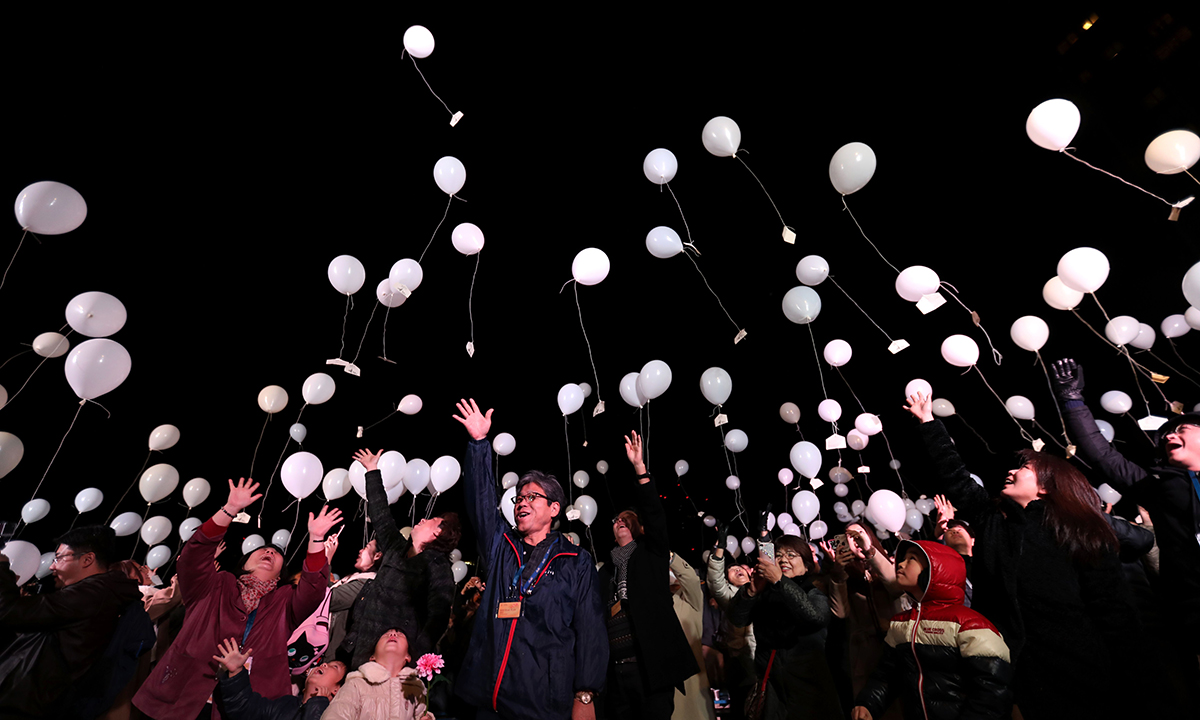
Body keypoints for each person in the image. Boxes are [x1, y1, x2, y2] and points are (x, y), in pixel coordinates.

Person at [904, 390, 1138, 718]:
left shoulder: (1079, 533)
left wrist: (1133, 682)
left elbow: (1112, 611)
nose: (1011, 472)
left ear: (1047, 485)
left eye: (1024, 468)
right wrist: (928, 422)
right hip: (1013, 675)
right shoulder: (993, 522)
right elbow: (956, 477)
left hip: (1080, 671)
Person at [452, 398, 607, 720]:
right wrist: (479, 444)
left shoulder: (575, 560)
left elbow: (590, 627)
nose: (522, 502)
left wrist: (586, 693)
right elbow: (481, 503)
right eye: (519, 498)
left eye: (532, 496)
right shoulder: (501, 546)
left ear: (554, 508)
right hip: (491, 695)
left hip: (544, 698)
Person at [133, 478, 339, 720]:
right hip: (183, 695)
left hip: (247, 703)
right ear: (245, 562)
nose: (269, 551)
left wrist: (316, 538)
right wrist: (230, 509)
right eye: (262, 549)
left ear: (280, 574)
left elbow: (313, 588)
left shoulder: (284, 602)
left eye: (276, 553)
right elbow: (192, 557)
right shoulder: (215, 584)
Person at [851, 541, 1012, 720]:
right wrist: (868, 703)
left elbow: (992, 690)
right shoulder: (900, 624)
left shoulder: (970, 625)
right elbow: (888, 674)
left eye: (912, 558)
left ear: (936, 569)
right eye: (903, 558)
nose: (901, 563)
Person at [602, 430, 698, 720]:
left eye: (627, 519)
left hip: (650, 668)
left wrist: (640, 469)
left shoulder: (651, 553)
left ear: (639, 528)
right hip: (615, 673)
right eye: (616, 520)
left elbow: (655, 515)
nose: (620, 521)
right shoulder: (606, 569)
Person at [0, 525, 145, 717]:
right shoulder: (102, 593)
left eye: (59, 558)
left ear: (87, 559)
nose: (52, 566)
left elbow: (9, 611)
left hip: (24, 706)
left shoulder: (91, 595)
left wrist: (2, 568)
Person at [338, 449, 458, 670]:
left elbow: (438, 618)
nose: (422, 520)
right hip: (361, 647)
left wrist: (415, 656)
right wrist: (372, 471)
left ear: (438, 532)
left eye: (430, 520)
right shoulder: (396, 548)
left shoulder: (437, 568)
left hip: (393, 659)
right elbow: (381, 515)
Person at [728, 534, 842, 720]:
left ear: (806, 565)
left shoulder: (815, 590)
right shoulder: (763, 593)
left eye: (791, 555)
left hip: (810, 688)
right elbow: (737, 619)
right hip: (773, 689)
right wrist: (751, 591)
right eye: (778, 555)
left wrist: (781, 581)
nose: (783, 560)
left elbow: (814, 617)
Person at [822, 523, 909, 711]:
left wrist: (870, 552)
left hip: (896, 647)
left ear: (869, 536)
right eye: (849, 537)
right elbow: (840, 612)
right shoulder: (844, 575)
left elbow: (895, 588)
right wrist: (838, 574)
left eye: (859, 534)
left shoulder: (887, 564)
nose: (855, 540)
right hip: (865, 656)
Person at [212, 637, 346, 720]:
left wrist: (318, 704)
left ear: (337, 689)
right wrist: (236, 672)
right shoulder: (287, 703)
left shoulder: (335, 715)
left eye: (335, 667)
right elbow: (245, 710)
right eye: (326, 663)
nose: (324, 664)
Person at [322, 628, 433, 720]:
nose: (393, 634)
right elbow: (336, 714)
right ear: (372, 657)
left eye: (400, 634)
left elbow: (421, 714)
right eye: (385, 635)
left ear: (408, 656)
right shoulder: (356, 684)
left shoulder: (416, 690)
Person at [668, 552, 712, 720]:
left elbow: (690, 579)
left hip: (690, 682)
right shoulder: (654, 601)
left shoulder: (690, 598)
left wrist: (669, 557)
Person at [326, 539, 381, 658]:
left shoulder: (366, 583)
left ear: (377, 556)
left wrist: (326, 560)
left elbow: (329, 599)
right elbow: (327, 591)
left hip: (329, 654)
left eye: (366, 547)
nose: (360, 550)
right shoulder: (356, 577)